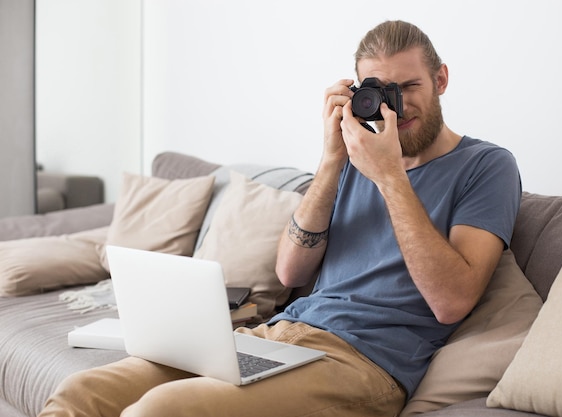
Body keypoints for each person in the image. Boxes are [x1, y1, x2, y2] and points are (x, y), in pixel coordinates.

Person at [38, 20, 521, 417]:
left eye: (410, 86)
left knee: (162, 410)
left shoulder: (486, 166)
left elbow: (452, 302)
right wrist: (332, 160)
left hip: (365, 364)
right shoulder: (354, 159)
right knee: (85, 392)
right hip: (279, 335)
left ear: (441, 80)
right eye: (382, 90)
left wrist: (392, 177)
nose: (397, 105)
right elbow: (290, 272)